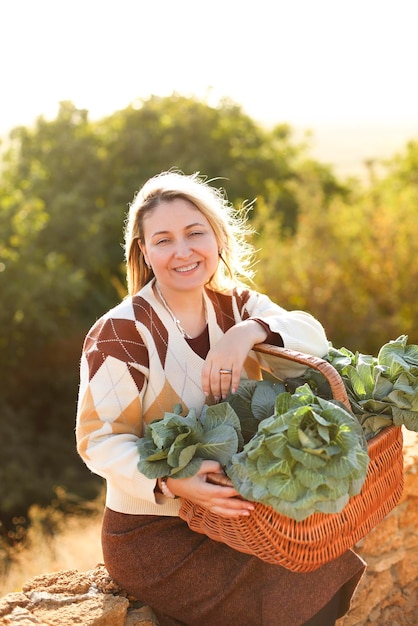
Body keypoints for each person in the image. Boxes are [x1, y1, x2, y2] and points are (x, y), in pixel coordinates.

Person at [76, 171, 365, 626]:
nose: (183, 251)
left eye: (195, 233)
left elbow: (313, 338)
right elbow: (98, 440)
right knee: (287, 592)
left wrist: (247, 333)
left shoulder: (235, 305)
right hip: (158, 533)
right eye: (164, 240)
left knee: (328, 563)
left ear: (216, 237)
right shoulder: (122, 333)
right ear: (145, 252)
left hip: (236, 519)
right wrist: (171, 483)